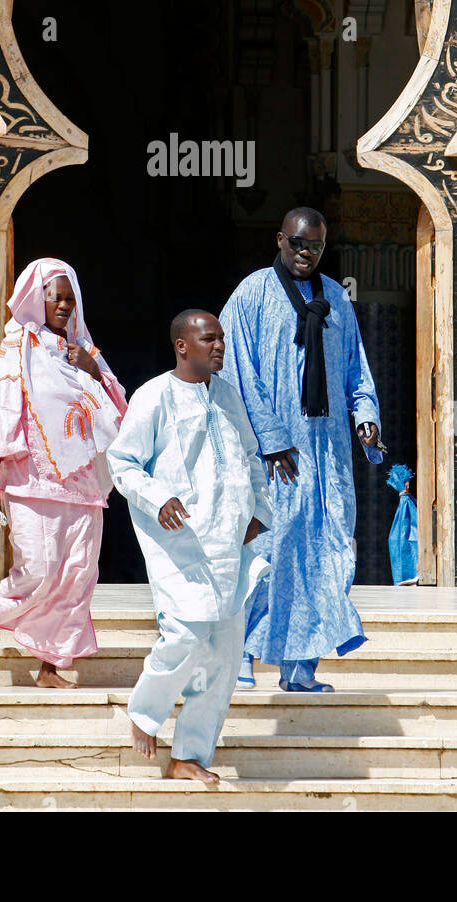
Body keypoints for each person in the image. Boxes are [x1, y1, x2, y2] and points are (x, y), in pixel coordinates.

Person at [219, 206, 382, 692]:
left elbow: (356, 367)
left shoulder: (336, 299)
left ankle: (300, 668)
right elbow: (235, 373)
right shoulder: (251, 294)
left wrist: (366, 416)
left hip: (326, 456)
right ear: (280, 240)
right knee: (266, 555)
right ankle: (243, 656)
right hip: (271, 459)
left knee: (326, 554)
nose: (305, 252)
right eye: (297, 243)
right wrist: (270, 439)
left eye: (314, 245)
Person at [107, 310, 272, 784]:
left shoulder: (227, 396)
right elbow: (123, 462)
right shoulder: (154, 396)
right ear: (183, 345)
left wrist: (258, 510)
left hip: (230, 544)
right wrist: (158, 498)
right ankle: (145, 712)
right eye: (209, 339)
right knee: (182, 634)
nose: (219, 346)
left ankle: (190, 756)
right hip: (182, 545)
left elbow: (249, 457)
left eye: (220, 339)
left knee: (223, 655)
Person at [0, 257, 127, 687]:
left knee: (76, 576)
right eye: (54, 296)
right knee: (38, 569)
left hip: (85, 486)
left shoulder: (86, 352)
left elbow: (119, 412)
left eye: (69, 299)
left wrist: (91, 369)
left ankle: (51, 667)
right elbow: (2, 409)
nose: (62, 305)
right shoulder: (18, 345)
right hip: (31, 481)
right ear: (35, 299)